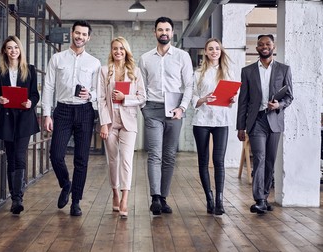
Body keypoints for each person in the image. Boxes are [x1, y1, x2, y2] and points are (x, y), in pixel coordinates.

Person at [42, 20, 101, 217]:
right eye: (78, 33)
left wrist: (90, 96)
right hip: (63, 111)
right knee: (56, 155)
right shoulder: (57, 59)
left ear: (88, 38)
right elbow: (49, 86)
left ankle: (76, 202)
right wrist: (47, 114)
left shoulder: (94, 63)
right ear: (72, 33)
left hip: (84, 111)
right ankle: (66, 184)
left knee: (81, 159)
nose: (80, 37)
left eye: (84, 34)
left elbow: (97, 91)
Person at [139, 16, 193, 215]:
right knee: (155, 154)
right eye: (160, 29)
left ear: (172, 33)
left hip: (175, 110)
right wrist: (144, 107)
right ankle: (154, 198)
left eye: (167, 30)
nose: (164, 33)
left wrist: (183, 108)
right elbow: (141, 86)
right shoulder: (145, 58)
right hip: (152, 109)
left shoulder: (182, 56)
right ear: (155, 32)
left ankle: (163, 197)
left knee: (169, 155)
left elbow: (189, 85)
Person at [236, 34, 293, 214]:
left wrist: (279, 104)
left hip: (274, 120)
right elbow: (243, 101)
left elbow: (289, 96)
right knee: (259, 158)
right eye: (260, 44)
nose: (264, 46)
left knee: (270, 161)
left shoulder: (284, 69)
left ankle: (265, 196)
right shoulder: (248, 71)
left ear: (273, 46)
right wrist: (240, 126)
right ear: (257, 48)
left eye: (267, 44)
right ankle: (259, 199)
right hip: (256, 121)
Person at [97, 37, 146, 218]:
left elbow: (142, 97)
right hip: (110, 121)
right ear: (111, 51)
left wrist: (125, 98)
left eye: (121, 49)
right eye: (115, 49)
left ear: (126, 52)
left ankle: (125, 196)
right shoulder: (104, 71)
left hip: (128, 121)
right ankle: (115, 193)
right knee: (113, 160)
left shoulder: (135, 72)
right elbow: (101, 99)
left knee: (126, 159)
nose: (118, 52)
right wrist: (104, 123)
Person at [0, 35, 40, 215]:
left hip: (24, 118)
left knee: (20, 156)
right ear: (5, 50)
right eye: (10, 48)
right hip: (6, 119)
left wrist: (31, 102)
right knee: (10, 157)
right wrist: (0, 100)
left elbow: (35, 94)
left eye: (16, 48)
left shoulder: (30, 70)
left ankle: (17, 198)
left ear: (20, 50)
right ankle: (14, 196)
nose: (13, 51)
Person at [191, 38, 236, 215]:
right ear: (206, 52)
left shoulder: (228, 72)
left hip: (221, 121)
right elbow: (193, 97)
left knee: (219, 161)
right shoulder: (197, 73)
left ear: (220, 51)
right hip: (201, 120)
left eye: (217, 48)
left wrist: (232, 99)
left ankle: (219, 200)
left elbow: (232, 97)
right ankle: (209, 199)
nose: (214, 51)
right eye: (211, 49)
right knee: (203, 161)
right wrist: (203, 99)